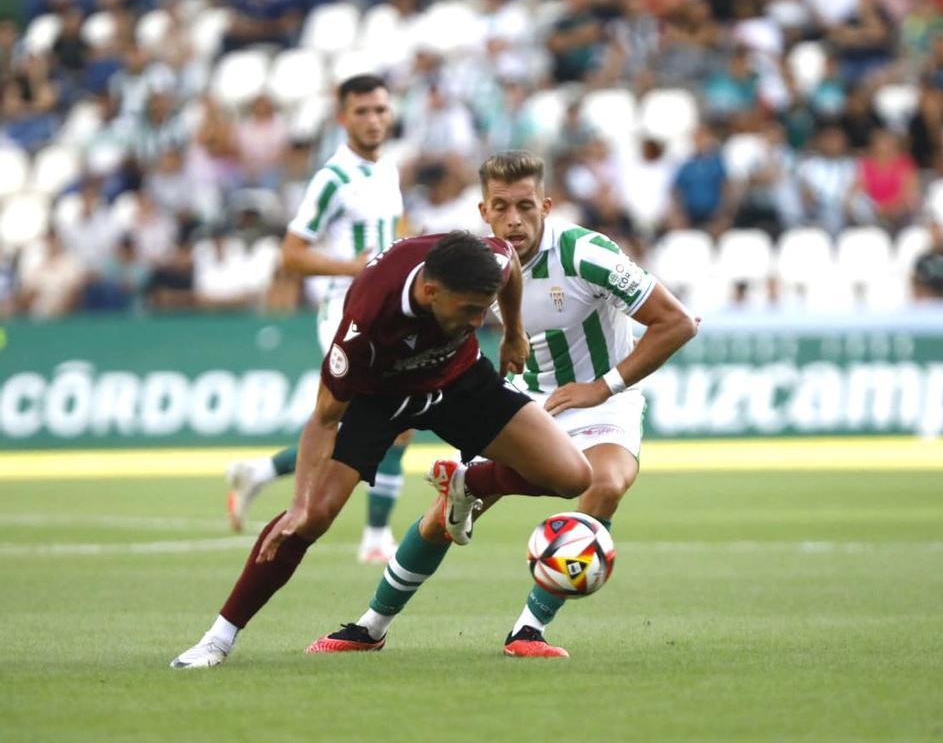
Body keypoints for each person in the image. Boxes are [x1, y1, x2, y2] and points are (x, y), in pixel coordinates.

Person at [306, 151, 698, 658]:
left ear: (547, 206)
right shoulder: (473, 262)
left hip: (604, 399)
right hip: (531, 398)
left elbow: (679, 322)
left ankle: (528, 631)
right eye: (501, 207)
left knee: (606, 483)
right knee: (441, 516)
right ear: (483, 212)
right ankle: (370, 626)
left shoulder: (587, 254)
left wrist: (602, 387)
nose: (515, 220)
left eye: (526, 206)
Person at [170, 230, 594, 669]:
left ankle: (467, 484)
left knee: (573, 477)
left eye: (481, 310)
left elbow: (509, 270)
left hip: (461, 380)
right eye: (468, 310)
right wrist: (298, 502)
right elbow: (323, 418)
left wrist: (512, 333)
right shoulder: (366, 323)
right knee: (311, 519)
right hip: (380, 400)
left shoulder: (487, 262)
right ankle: (217, 640)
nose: (475, 321)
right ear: (430, 292)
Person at [223, 74, 411, 564]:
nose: (373, 119)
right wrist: (354, 266)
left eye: (380, 110)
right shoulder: (332, 179)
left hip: (388, 311)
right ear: (342, 118)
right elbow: (292, 254)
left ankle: (261, 472)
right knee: (377, 418)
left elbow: (394, 231)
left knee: (387, 422)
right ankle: (374, 537)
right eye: (362, 111)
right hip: (345, 311)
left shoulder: (387, 169)